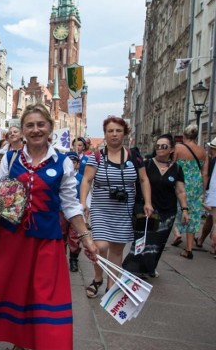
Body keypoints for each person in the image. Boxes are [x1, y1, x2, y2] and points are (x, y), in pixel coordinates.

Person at [0, 103, 98, 350]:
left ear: (50, 128)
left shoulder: (63, 162)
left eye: (41, 124)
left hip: (47, 241)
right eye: (30, 125)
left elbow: (70, 204)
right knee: (14, 293)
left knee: (45, 299)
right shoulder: (11, 157)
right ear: (22, 131)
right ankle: (20, 343)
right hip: (12, 241)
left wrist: (85, 237)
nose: (36, 130)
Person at [79, 116, 154, 298]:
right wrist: (82, 202)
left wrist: (148, 202)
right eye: (110, 131)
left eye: (118, 131)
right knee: (101, 245)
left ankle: (111, 285)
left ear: (124, 133)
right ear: (105, 134)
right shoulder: (96, 156)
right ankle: (98, 278)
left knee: (117, 249)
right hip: (101, 208)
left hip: (124, 209)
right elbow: (87, 180)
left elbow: (144, 179)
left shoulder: (134, 155)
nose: (114, 134)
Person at [123, 135, 189, 278]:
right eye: (158, 146)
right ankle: (135, 269)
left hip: (167, 211)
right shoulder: (146, 165)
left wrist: (185, 209)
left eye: (164, 146)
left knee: (158, 242)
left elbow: (180, 191)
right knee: (142, 240)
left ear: (171, 149)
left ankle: (149, 268)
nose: (160, 148)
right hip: (145, 209)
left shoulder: (176, 169)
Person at [171, 124, 207, 259]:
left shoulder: (178, 148)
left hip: (180, 184)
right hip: (196, 185)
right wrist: (203, 190)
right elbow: (205, 173)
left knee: (175, 209)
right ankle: (189, 248)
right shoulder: (202, 151)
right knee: (192, 215)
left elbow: (172, 166)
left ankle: (177, 233)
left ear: (184, 135)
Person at [60, 151, 84, 272]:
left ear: (77, 164)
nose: (71, 164)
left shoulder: (81, 178)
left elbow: (86, 195)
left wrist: (85, 208)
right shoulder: (60, 176)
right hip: (61, 211)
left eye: (73, 162)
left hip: (76, 212)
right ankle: (61, 259)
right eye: (69, 162)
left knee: (75, 237)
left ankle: (74, 259)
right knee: (61, 234)